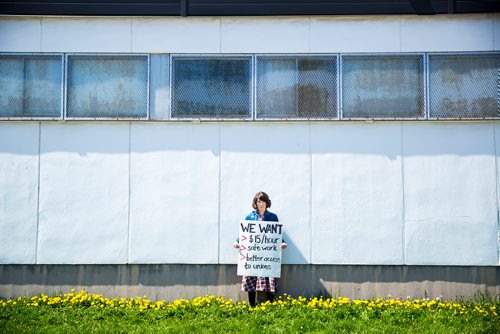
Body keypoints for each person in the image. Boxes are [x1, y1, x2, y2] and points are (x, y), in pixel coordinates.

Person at [233, 191, 287, 307]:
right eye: (258, 201)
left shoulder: (272, 217)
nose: (261, 204)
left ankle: (270, 306)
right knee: (251, 278)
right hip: (253, 255)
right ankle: (252, 306)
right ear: (255, 203)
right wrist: (237, 242)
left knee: (269, 278)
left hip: (267, 256)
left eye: (263, 201)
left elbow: (276, 234)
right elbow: (244, 233)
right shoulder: (250, 216)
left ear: (267, 203)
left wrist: (282, 243)